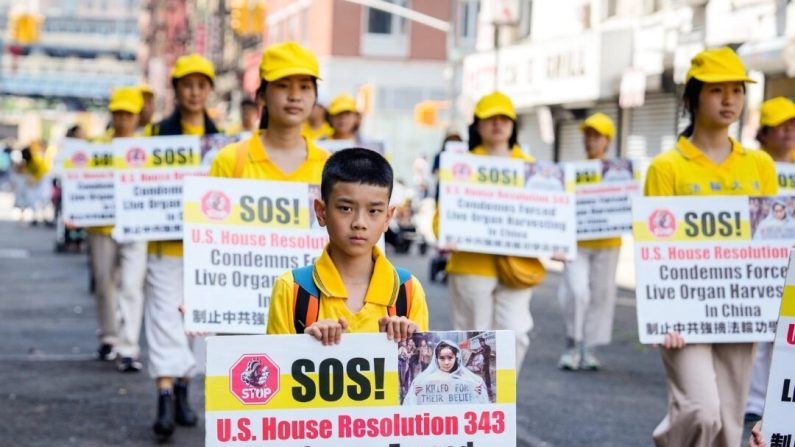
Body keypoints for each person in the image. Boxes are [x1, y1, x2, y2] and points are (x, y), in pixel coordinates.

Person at [644, 47, 777, 446]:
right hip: (683, 314)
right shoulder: (666, 167)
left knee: (729, 424)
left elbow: (770, 243)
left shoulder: (760, 166)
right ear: (693, 98)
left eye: (737, 90)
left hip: (741, 310)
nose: (729, 99)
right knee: (700, 410)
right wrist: (660, 315)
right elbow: (654, 249)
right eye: (717, 90)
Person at [267, 148, 429, 345]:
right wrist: (307, 347)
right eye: (346, 208)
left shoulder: (407, 290)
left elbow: (421, 372)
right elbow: (276, 370)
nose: (359, 222)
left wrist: (407, 345)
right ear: (321, 212)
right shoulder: (293, 289)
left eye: (374, 211)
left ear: (388, 218)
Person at [143, 53, 220, 442]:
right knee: (163, 321)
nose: (194, 92)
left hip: (207, 252)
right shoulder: (154, 136)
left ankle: (184, 391)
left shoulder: (222, 143)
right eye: (187, 84)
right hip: (165, 249)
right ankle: (164, 395)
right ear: (175, 89)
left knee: (200, 327)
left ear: (209, 91)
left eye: (201, 85)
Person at [444, 91, 539, 371]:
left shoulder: (533, 169)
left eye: (504, 118)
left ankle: (503, 405)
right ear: (478, 125)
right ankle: (479, 410)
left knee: (516, 334)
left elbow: (549, 219)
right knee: (474, 340)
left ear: (513, 124)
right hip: (472, 266)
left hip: (518, 267)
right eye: (490, 118)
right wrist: (447, 233)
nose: (497, 124)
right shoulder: (461, 166)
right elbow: (442, 219)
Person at [88, 86, 148, 373]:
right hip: (102, 226)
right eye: (119, 113)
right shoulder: (96, 148)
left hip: (138, 226)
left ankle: (128, 346)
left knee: (132, 285)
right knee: (103, 283)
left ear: (138, 117)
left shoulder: (149, 150)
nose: (123, 119)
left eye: (128, 114)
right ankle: (109, 337)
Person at [557, 112, 621, 371]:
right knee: (577, 292)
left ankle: (589, 348)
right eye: (587, 136)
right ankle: (573, 343)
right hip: (577, 244)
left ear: (607, 140)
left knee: (601, 296)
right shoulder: (573, 172)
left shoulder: (619, 173)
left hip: (608, 243)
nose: (590, 141)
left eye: (596, 136)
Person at [211, 41, 328, 182]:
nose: (294, 96)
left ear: (315, 97)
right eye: (283, 85)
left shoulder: (329, 167)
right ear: (261, 97)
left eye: (304, 87)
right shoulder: (230, 162)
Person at [745, 96, 795, 425]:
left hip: (793, 261)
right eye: (782, 126)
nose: (789, 132)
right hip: (761, 260)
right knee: (760, 334)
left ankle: (781, 401)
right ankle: (754, 400)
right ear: (763, 132)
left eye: (793, 125)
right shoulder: (750, 166)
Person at [403, 340, 489, 406]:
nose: (446, 362)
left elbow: (482, 406)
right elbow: (411, 406)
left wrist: (478, 394)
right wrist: (415, 394)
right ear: (436, 359)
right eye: (442, 358)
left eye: (450, 358)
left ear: (456, 358)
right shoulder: (424, 380)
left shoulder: (470, 380)